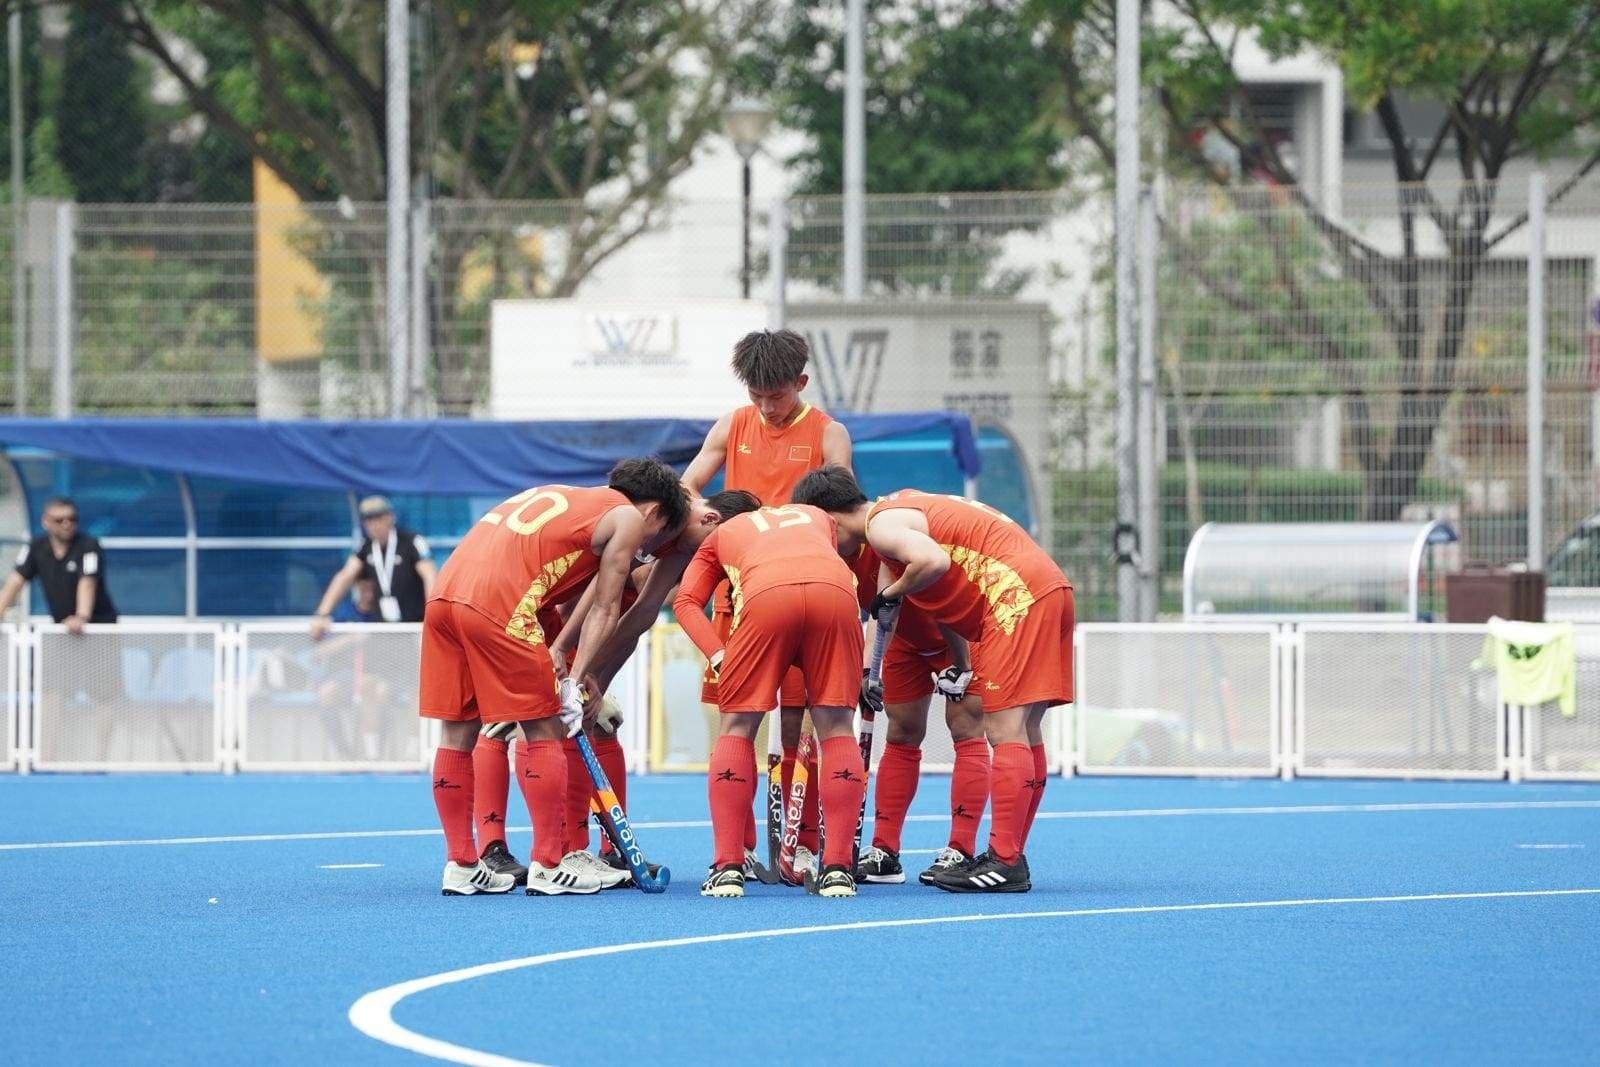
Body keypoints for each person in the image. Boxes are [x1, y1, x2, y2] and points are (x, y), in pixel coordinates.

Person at [793, 466, 1074, 894]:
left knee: (1003, 729)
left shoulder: (883, 523)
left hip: (1013, 594)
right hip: (1043, 586)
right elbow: (889, 610)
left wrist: (890, 594)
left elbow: (933, 562)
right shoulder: (896, 509)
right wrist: (873, 668)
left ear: (830, 518)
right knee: (1026, 727)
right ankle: (1007, 853)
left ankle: (1004, 859)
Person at [419, 458, 690, 896]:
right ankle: (549, 863)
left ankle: (462, 863)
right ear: (654, 513)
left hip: (444, 600)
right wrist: (575, 680)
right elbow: (604, 606)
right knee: (543, 726)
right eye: (655, 539)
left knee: (457, 733)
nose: (646, 549)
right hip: (501, 606)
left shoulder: (565, 497)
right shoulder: (625, 517)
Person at [469, 490, 761, 889]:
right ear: (710, 519)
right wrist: (567, 665)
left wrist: (596, 682)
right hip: (537, 615)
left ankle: (607, 849)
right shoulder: (655, 521)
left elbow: (639, 617)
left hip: (582, 635)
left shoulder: (685, 545)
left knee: (600, 720)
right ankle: (494, 848)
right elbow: (581, 600)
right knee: (510, 724)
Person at [680, 328, 853, 876]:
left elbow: (843, 509)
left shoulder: (829, 434)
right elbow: (687, 491)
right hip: (740, 590)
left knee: (802, 720)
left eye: (775, 395)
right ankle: (744, 845)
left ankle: (801, 843)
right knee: (737, 719)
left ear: (800, 383)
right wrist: (709, 515)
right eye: (755, 393)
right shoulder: (733, 424)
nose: (764, 405)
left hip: (801, 584)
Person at [674, 501, 868, 899]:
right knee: (836, 728)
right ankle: (836, 870)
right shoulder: (817, 517)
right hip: (836, 594)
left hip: (766, 599)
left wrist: (719, 654)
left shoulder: (717, 536)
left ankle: (728, 866)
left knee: (739, 727)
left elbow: (685, 602)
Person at [854, 602, 990, 886]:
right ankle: (885, 851)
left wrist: (963, 663)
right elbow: (878, 607)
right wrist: (868, 669)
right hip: (904, 639)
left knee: (966, 728)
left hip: (959, 631)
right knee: (901, 732)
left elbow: (943, 589)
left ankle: (961, 849)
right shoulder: (851, 561)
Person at [310, 496, 436, 640]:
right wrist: (322, 613)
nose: (374, 524)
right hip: (381, 629)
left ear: (391, 517)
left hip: (415, 627)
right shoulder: (365, 546)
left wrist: (432, 618)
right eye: (369, 520)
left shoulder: (411, 542)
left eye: (379, 518)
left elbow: (430, 576)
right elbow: (345, 576)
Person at [0, 497, 118, 631]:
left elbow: (88, 582)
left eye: (72, 519)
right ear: (45, 521)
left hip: (98, 627)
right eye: (59, 520)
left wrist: (81, 617)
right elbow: (15, 580)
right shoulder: (36, 547)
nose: (66, 524)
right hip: (63, 627)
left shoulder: (88, 546)